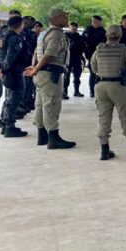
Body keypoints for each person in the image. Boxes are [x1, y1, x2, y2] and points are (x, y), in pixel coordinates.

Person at [91, 25, 126, 160]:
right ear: (120, 36)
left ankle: (104, 150)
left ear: (106, 35)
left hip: (101, 86)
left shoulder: (98, 49)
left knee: (103, 118)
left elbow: (93, 68)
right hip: (118, 86)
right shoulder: (123, 50)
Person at [24, 9, 76, 149]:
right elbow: (50, 55)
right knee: (51, 105)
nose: (66, 19)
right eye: (64, 17)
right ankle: (53, 138)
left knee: (40, 105)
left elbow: (37, 52)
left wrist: (34, 67)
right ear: (56, 18)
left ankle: (42, 136)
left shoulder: (43, 33)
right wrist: (35, 68)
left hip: (41, 74)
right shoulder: (56, 34)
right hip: (50, 74)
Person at [0, 16, 30, 137]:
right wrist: (3, 69)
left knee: (9, 97)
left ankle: (5, 124)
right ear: (20, 25)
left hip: (5, 72)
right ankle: (10, 127)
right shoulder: (14, 38)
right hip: (14, 72)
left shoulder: (1, 36)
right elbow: (10, 58)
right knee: (15, 98)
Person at [83, 15, 107, 98]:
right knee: (93, 73)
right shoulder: (88, 30)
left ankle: (101, 90)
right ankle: (92, 91)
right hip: (91, 55)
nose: (99, 23)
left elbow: (106, 42)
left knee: (102, 73)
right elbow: (83, 42)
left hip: (101, 55)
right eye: (98, 22)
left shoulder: (102, 30)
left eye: (100, 22)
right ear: (94, 22)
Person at [63, 21, 86, 99]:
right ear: (69, 27)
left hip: (77, 57)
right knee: (66, 76)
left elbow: (83, 47)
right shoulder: (65, 36)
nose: (74, 28)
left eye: (75, 27)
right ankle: (64, 92)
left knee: (77, 76)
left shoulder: (79, 37)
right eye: (72, 26)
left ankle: (76, 91)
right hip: (68, 58)